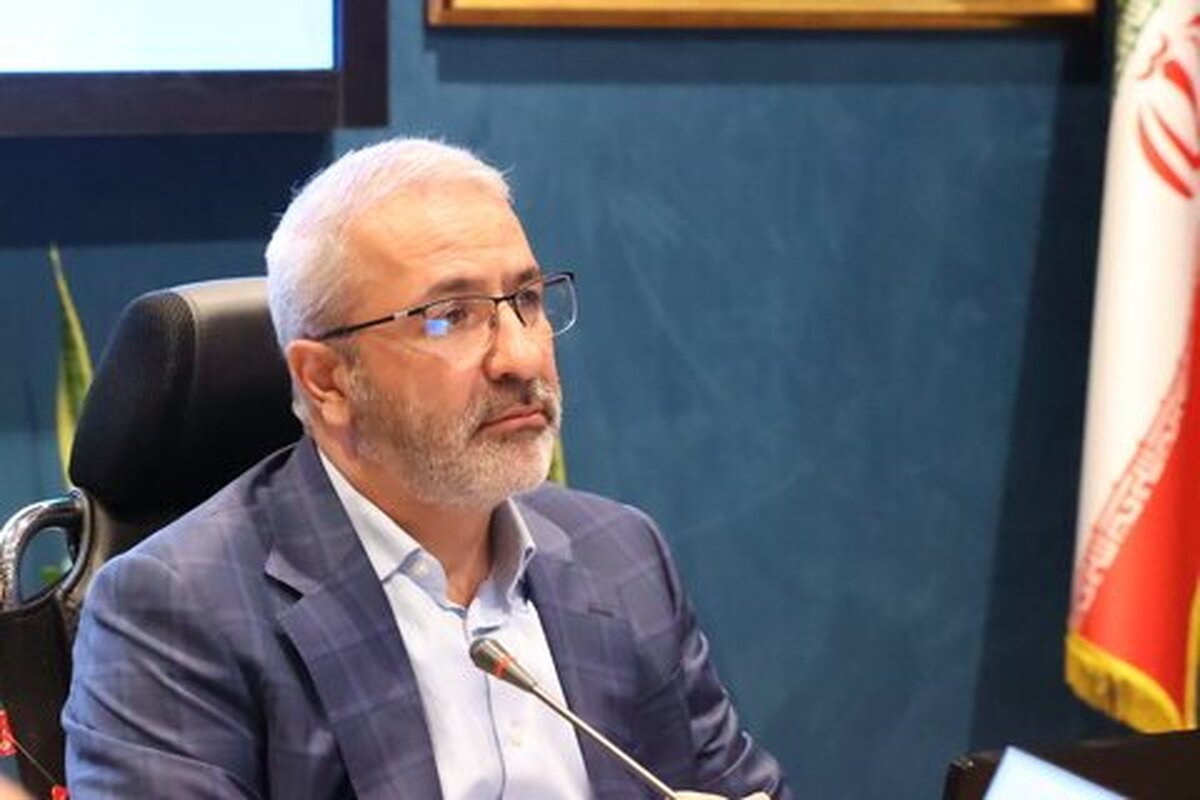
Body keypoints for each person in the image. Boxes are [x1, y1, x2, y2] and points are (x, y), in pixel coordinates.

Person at [62, 137, 792, 799]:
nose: (521, 358)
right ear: (326, 380)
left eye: (527, 299)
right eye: (451, 316)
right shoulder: (177, 609)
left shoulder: (621, 555)